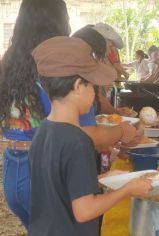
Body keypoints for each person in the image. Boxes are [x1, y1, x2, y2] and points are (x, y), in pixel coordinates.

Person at [29, 36, 152, 236]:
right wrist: (127, 190)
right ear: (78, 86)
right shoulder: (78, 141)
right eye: (92, 87)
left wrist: (100, 179)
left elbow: (58, 185)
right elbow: (85, 211)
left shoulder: (43, 131)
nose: (95, 95)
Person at [0, 0, 70, 229]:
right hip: (43, 169)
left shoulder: (9, 62)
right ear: (57, 23)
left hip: (12, 166)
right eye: (66, 18)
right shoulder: (54, 62)